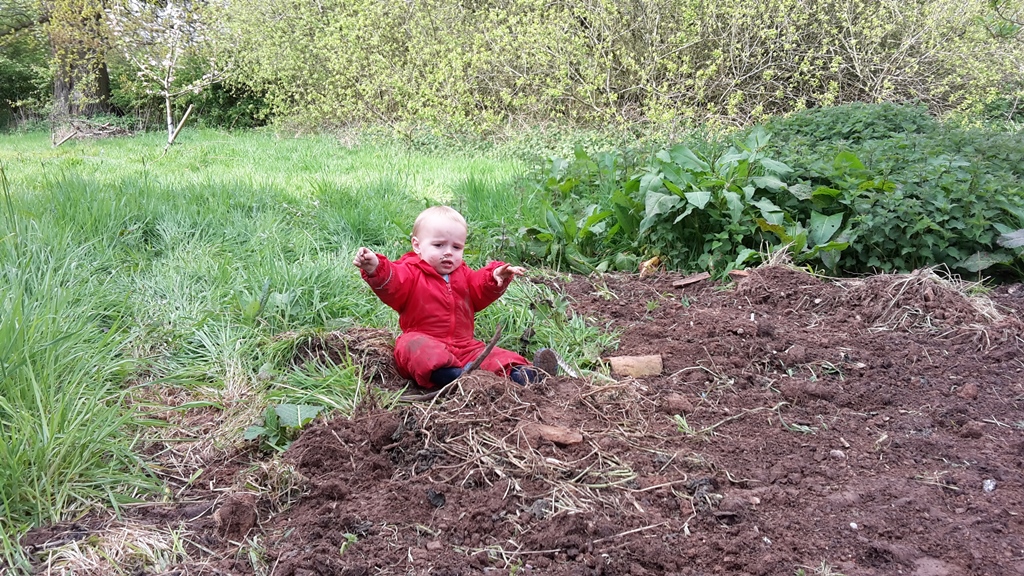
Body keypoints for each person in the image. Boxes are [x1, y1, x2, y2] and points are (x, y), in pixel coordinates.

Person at [353, 205, 558, 389]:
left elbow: (479, 287)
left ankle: (525, 376)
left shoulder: (463, 275)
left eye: (456, 247)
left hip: (464, 346)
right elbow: (394, 282)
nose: (448, 253)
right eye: (439, 245)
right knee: (411, 347)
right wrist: (376, 268)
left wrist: (495, 275)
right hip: (426, 339)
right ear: (417, 245)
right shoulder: (410, 271)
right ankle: (458, 378)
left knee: (493, 355)